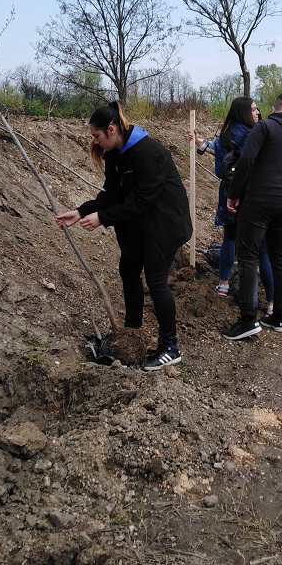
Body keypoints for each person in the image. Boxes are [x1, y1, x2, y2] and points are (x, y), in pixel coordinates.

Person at [56, 102, 192, 371]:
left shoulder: (148, 152)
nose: (95, 141)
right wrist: (81, 211)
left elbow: (141, 200)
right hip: (142, 221)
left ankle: (170, 347)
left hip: (166, 223)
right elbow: (112, 195)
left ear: (111, 129)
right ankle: (132, 331)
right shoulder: (115, 155)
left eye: (96, 135)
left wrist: (103, 218)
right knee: (128, 268)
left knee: (156, 280)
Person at [222, 93, 282, 339]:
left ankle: (248, 318)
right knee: (279, 258)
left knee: (248, 255)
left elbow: (247, 159)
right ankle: (279, 315)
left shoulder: (265, 126)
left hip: (260, 199)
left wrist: (234, 193)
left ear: (274, 108)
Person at [190, 97, 274, 303]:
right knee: (261, 246)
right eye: (253, 109)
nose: (257, 112)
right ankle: (269, 298)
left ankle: (224, 283)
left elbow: (219, 152)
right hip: (252, 192)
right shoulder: (256, 133)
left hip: (228, 190)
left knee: (229, 237)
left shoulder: (227, 134)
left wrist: (200, 143)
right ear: (244, 112)